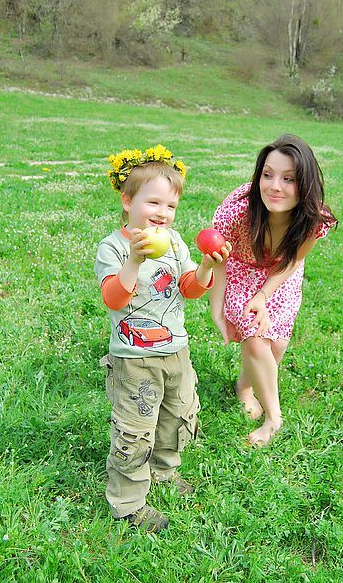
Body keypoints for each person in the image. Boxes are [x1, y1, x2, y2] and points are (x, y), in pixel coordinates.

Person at [94, 144, 231, 533]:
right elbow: (113, 297)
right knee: (134, 428)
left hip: (176, 350)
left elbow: (189, 288)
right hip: (134, 357)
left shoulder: (174, 242)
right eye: (153, 202)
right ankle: (128, 502)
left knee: (177, 415)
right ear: (127, 200)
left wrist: (205, 265)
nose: (162, 213)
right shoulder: (115, 247)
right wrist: (135, 261)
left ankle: (164, 472)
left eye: (170, 206)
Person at [209, 134, 337, 446]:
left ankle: (245, 386)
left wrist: (264, 296)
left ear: (304, 185)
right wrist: (217, 310)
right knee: (255, 341)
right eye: (267, 175)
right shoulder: (235, 213)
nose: (274, 186)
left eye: (288, 179)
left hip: (282, 272)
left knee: (276, 345)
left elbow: (293, 259)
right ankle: (273, 418)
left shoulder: (313, 219)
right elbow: (217, 261)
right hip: (240, 268)